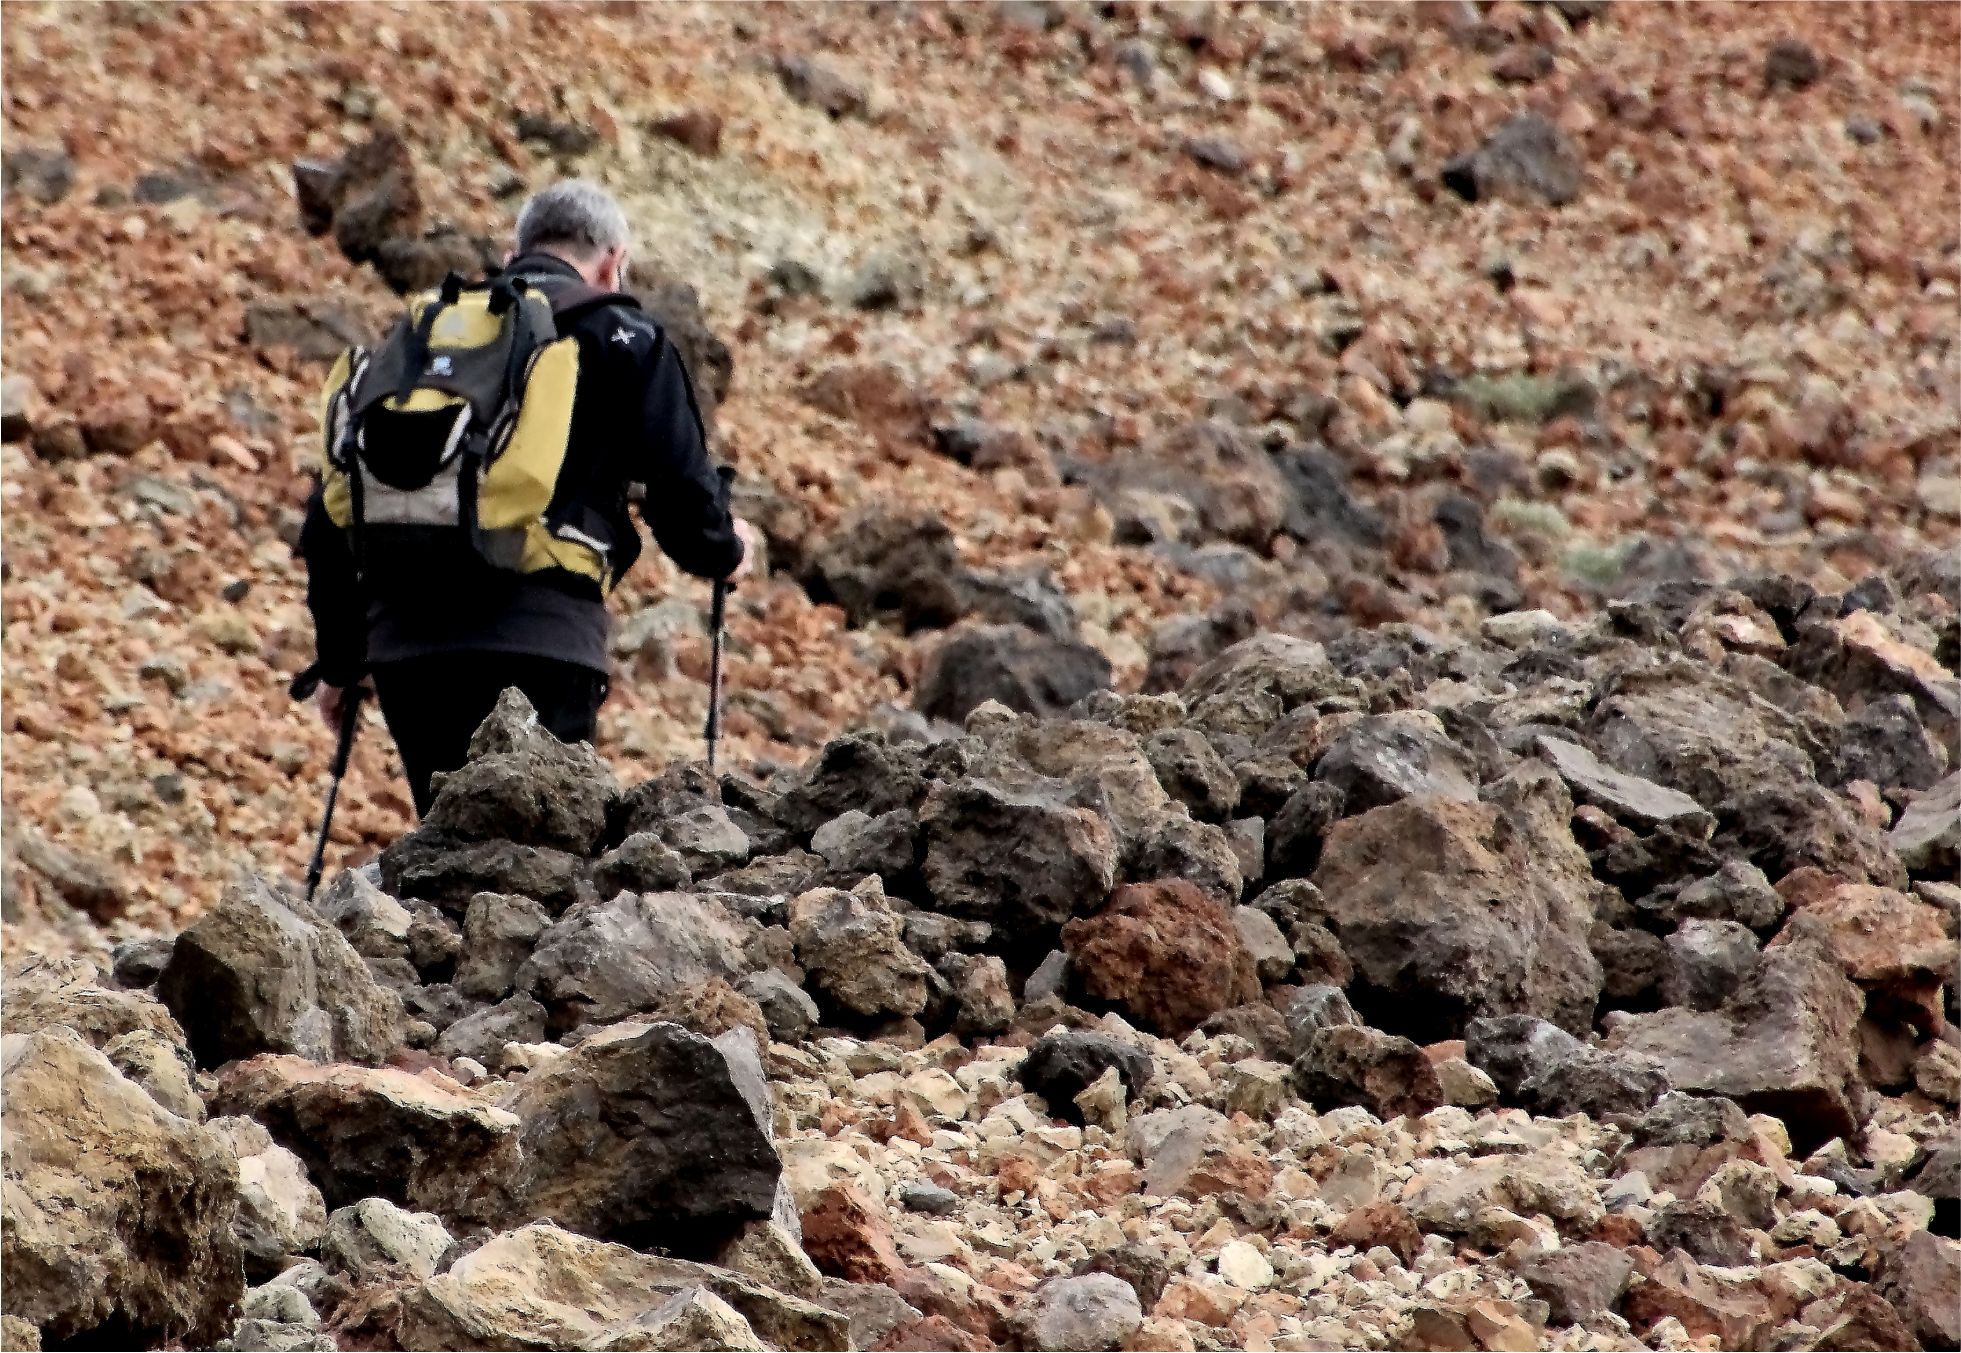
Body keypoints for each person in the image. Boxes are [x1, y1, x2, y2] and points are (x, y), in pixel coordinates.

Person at [298, 179, 756, 815]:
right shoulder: (623, 335)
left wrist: (343, 662)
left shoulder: (430, 335)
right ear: (612, 262)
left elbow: (330, 516)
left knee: (448, 860)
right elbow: (681, 495)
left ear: (514, 254)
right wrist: (725, 551)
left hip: (409, 651)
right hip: (544, 640)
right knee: (538, 872)